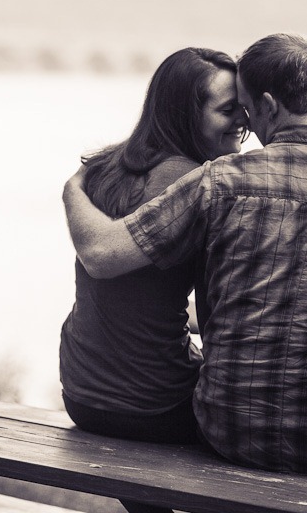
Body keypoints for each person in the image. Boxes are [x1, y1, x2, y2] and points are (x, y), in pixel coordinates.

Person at [62, 33, 307, 476]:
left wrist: (73, 187)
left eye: (248, 109)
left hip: (225, 432)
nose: (246, 123)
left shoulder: (217, 182)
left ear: (270, 107)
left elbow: (108, 256)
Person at [60, 47, 249, 445]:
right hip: (154, 407)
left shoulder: (106, 168)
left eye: (244, 107)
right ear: (185, 113)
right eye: (228, 109)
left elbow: (139, 299)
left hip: (81, 397)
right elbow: (220, 317)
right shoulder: (196, 183)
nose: (242, 120)